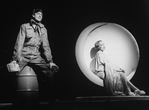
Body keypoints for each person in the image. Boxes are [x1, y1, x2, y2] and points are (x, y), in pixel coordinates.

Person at [12, 8, 58, 77]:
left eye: (41, 15)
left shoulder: (43, 29)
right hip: (24, 55)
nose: (40, 16)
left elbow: (46, 46)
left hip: (36, 56)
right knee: (13, 71)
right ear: (33, 15)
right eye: (38, 14)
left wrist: (50, 61)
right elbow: (19, 43)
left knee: (52, 70)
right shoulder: (24, 26)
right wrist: (15, 59)